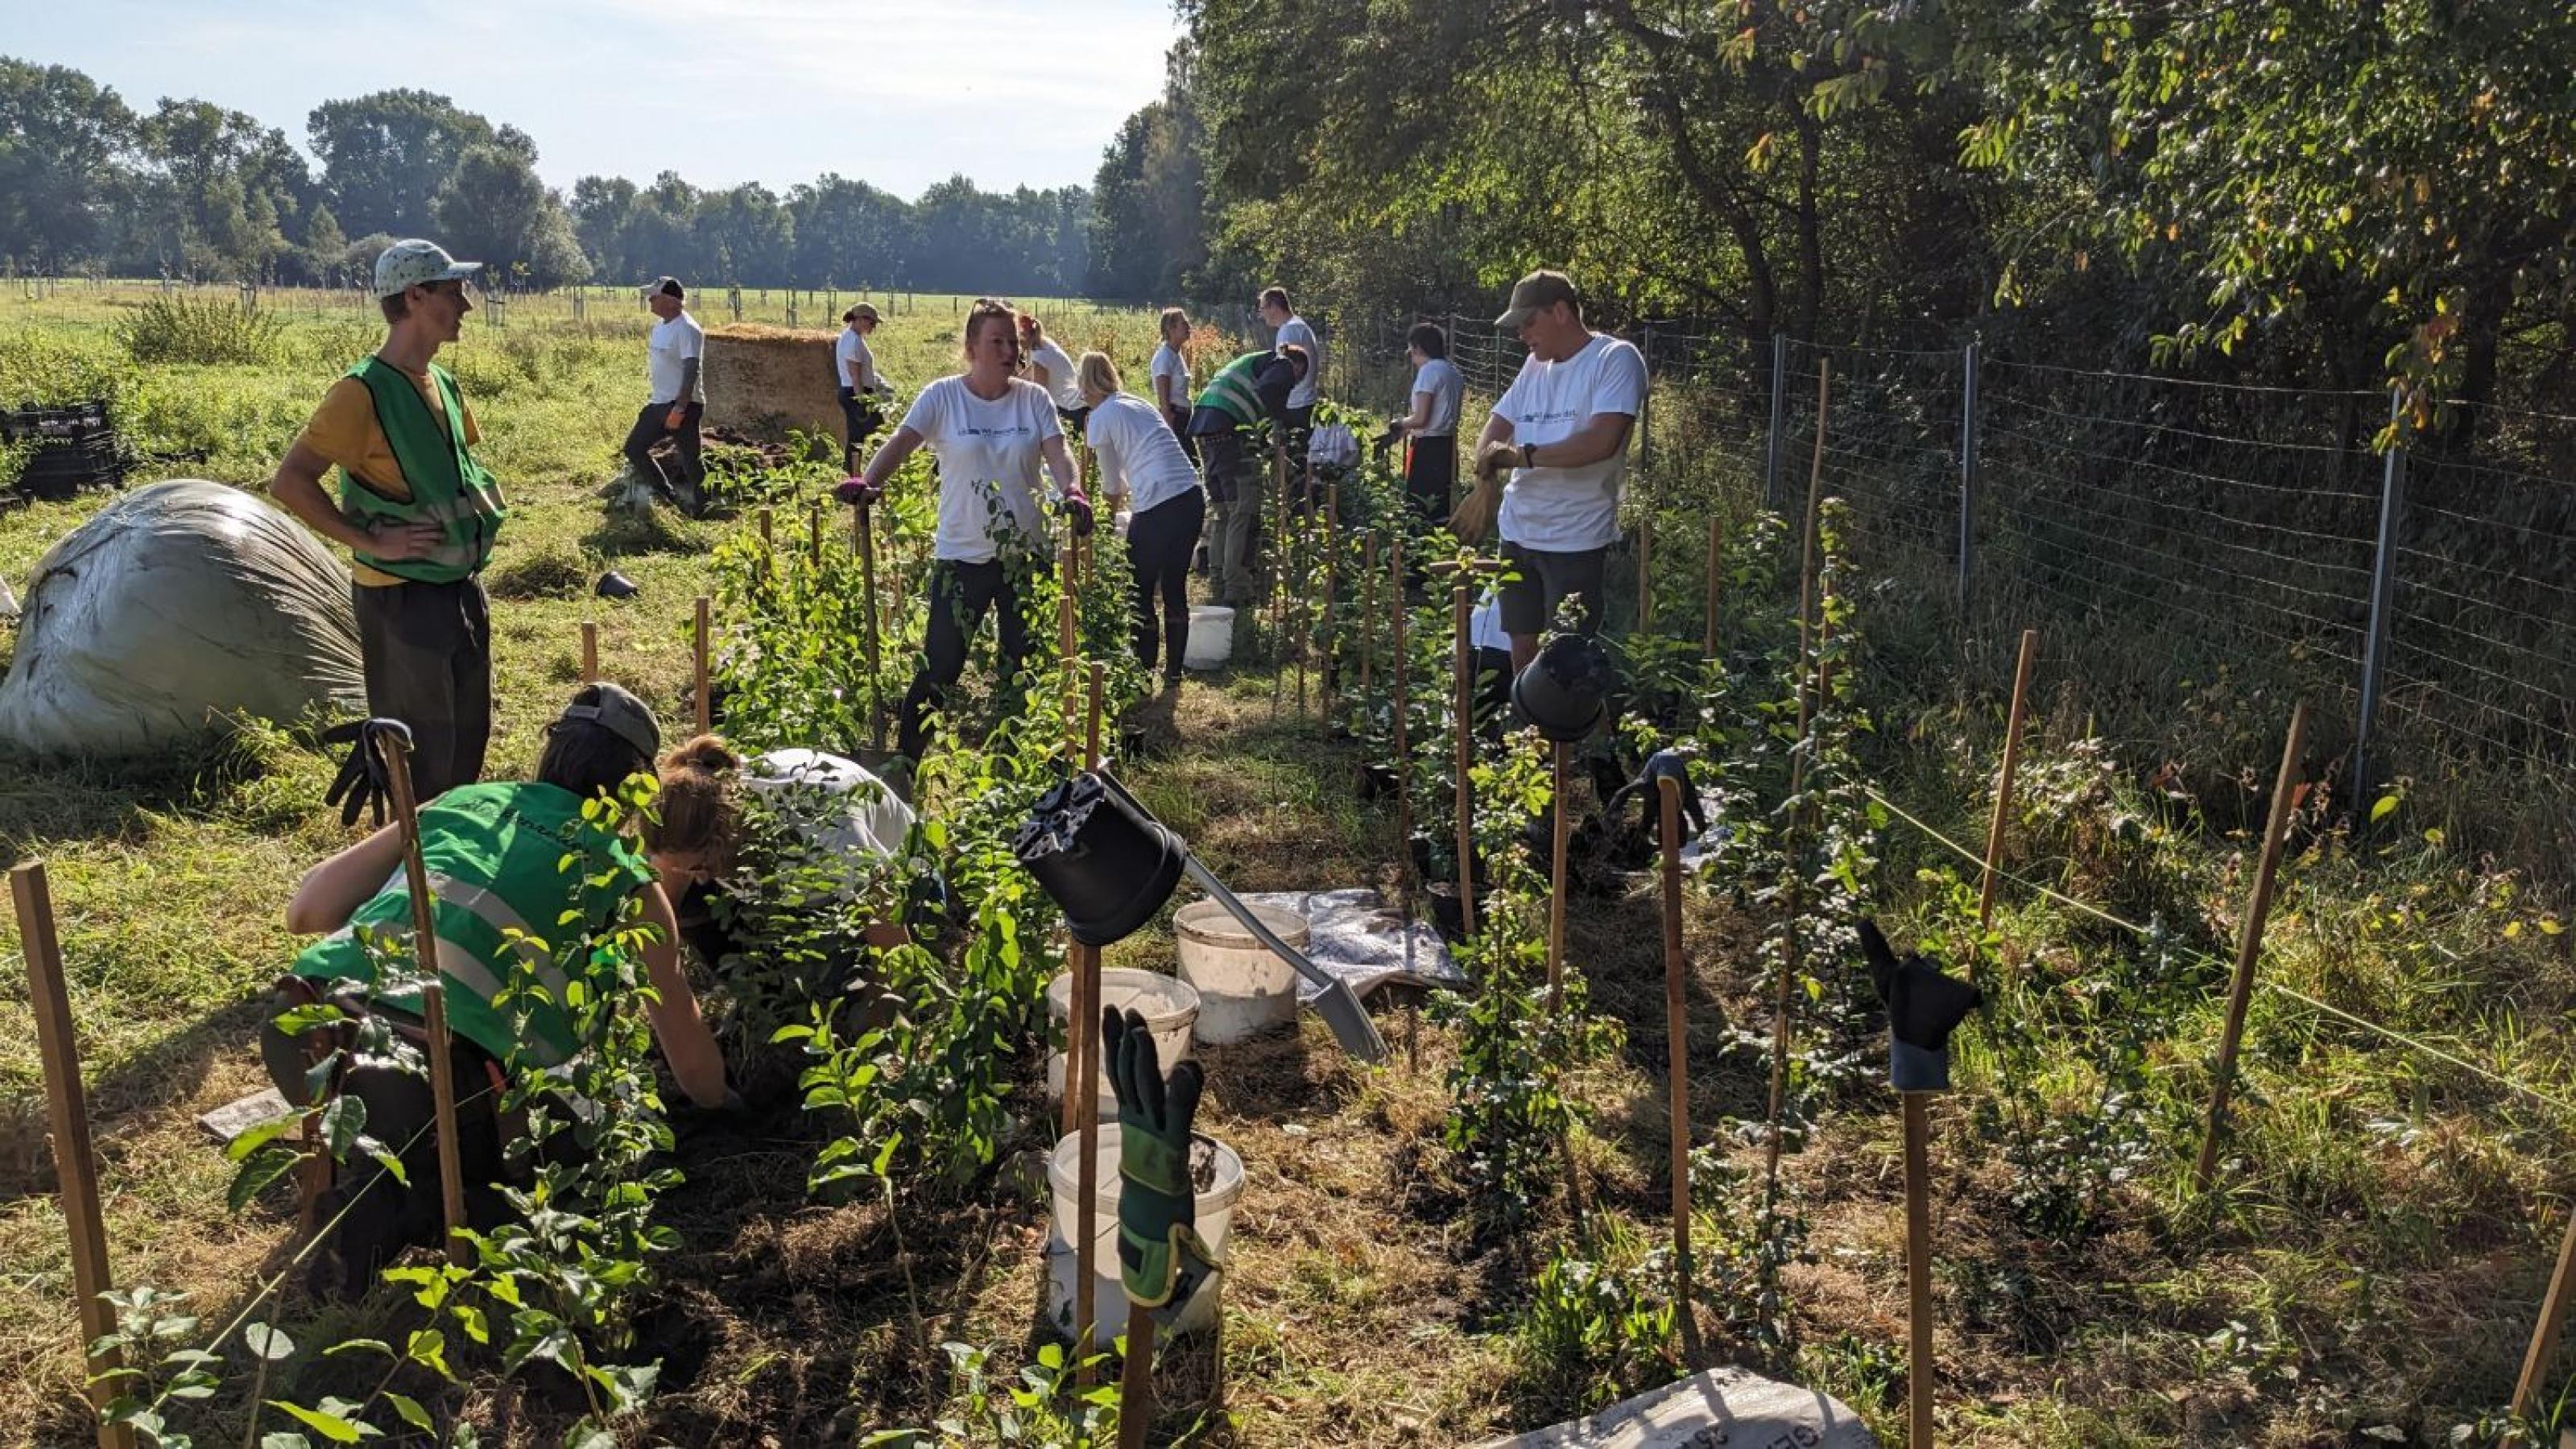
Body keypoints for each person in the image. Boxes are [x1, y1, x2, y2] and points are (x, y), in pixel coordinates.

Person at [266, 685, 733, 1291]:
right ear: (634, 790)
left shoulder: (462, 802)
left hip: (303, 1029)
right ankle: (398, 1213)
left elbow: (307, 911)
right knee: (573, 1155)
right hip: (435, 1082)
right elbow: (688, 1054)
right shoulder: (626, 877)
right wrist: (724, 1104)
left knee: (423, 1123)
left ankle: (385, 1178)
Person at [270, 238, 504, 804]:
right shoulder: (361, 392)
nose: (466, 305)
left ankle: (443, 864)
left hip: (457, 588)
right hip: (401, 599)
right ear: (416, 296)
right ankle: (408, 878)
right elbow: (290, 480)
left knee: (466, 738)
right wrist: (367, 538)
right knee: (422, 755)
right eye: (454, 291)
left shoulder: (441, 383)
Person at [839, 298, 1091, 761]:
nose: (1009, 350)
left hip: (1025, 556)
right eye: (997, 341)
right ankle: (907, 765)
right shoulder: (943, 397)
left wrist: (1072, 490)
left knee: (1022, 668)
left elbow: (1058, 454)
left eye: (1013, 341)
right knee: (940, 666)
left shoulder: (1033, 399)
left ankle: (1013, 767)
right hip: (962, 555)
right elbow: (902, 443)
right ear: (972, 347)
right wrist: (868, 483)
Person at [1473, 269, 1648, 670]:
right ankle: (1531, 732)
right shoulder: (1534, 366)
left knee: (1567, 660)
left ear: (1561, 312)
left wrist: (1521, 457)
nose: (1522, 335)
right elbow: (1497, 427)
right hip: (1517, 531)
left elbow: (1600, 442)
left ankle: (1573, 733)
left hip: (1574, 537)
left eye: (1529, 323)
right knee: (1521, 650)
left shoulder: (1614, 359)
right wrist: (1486, 471)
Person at [643, 734, 920, 980]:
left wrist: (882, 1014)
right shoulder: (685, 817)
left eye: (701, 867)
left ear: (723, 837)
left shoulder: (825, 830)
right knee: (695, 903)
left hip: (905, 883)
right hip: (802, 890)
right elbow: (663, 901)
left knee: (830, 979)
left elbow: (888, 929)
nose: (701, 878)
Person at [1077, 352, 1205, 682]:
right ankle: (1174, 672)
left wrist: (1104, 521)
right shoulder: (1137, 403)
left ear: (1086, 386)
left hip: (1159, 502)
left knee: (1140, 587)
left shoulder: (1101, 417)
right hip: (1190, 494)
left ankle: (1143, 669)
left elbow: (1110, 484)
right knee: (1175, 585)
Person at [1186, 344, 1309, 607]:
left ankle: (1218, 577)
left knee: (1222, 512)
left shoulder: (1255, 362)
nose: (1292, 386)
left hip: (1205, 430)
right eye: (1296, 382)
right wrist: (1286, 421)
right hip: (1227, 432)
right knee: (1242, 510)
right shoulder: (1283, 364)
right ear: (1298, 368)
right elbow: (1270, 391)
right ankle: (1237, 586)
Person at [626, 277, 708, 514]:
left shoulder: (687, 329)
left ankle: (705, 508)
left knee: (691, 460)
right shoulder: (661, 327)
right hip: (660, 403)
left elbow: (692, 369)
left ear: (671, 301)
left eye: (654, 296)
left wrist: (680, 408)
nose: (649, 300)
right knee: (634, 448)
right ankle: (668, 498)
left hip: (683, 405)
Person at [1393, 321, 1466, 525]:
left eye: (1411, 351)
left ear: (1417, 348)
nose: (1412, 358)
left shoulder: (1428, 372)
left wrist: (1399, 424)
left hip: (1428, 450)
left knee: (1420, 508)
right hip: (1448, 447)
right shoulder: (1453, 372)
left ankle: (1417, 554)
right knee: (1442, 506)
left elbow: (1422, 419)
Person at [1259, 286, 1323, 440]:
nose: (1261, 314)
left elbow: (1284, 370)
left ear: (1274, 307)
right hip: (1302, 402)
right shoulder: (1297, 326)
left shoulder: (1289, 330)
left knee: (1294, 455)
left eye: (1262, 308)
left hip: (1296, 405)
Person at [836, 303, 891, 471]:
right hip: (856, 393)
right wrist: (862, 402)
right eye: (872, 323)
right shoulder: (852, 341)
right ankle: (880, 470)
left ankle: (854, 473)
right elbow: (855, 375)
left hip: (854, 392)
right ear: (860, 319)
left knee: (857, 436)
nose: (873, 327)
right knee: (878, 432)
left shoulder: (852, 337)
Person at [1018, 312, 1089, 435]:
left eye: (1018, 337)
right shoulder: (1042, 343)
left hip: (1069, 409)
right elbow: (1032, 369)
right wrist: (1015, 381)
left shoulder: (1039, 355)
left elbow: (1040, 394)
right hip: (1075, 400)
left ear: (1025, 336)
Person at [1148, 308, 1197, 463]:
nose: (1188, 326)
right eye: (1184, 323)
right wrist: (1168, 419)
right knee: (1187, 461)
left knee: (1190, 460)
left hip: (1183, 416)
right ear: (1170, 328)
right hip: (1176, 417)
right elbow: (1163, 391)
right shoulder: (1165, 357)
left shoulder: (1175, 354)